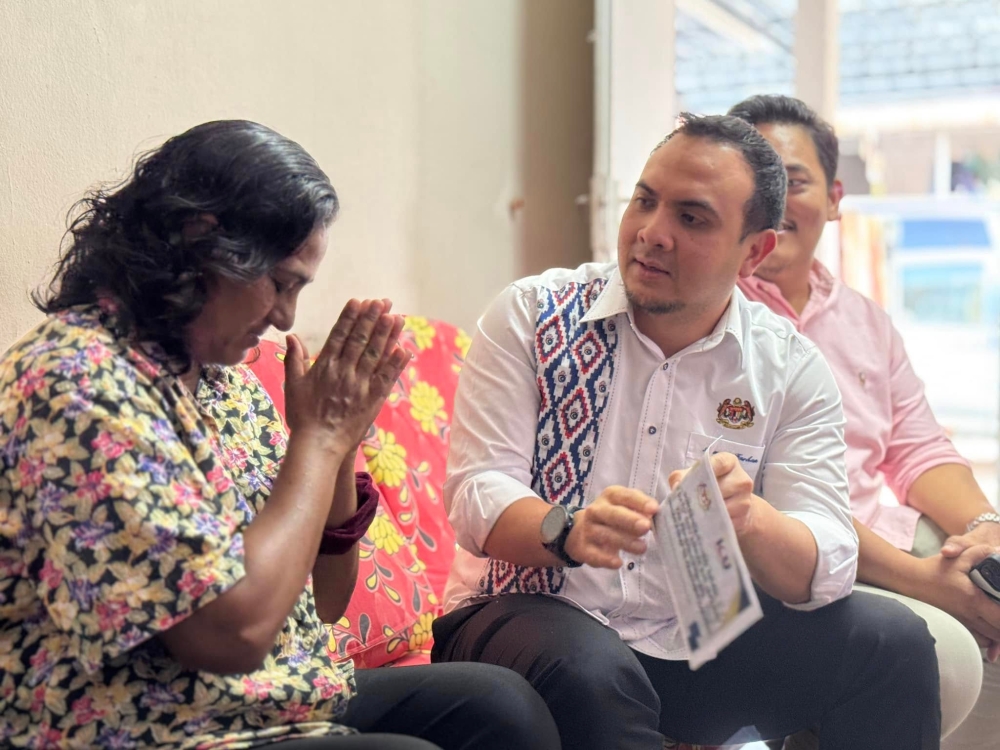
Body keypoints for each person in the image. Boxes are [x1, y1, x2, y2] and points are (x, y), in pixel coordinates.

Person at [0, 120, 560, 750]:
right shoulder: (77, 383)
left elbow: (326, 597)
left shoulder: (222, 380)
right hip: (141, 725)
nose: (287, 317)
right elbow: (228, 638)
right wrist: (318, 439)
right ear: (199, 240)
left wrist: (341, 445)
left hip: (260, 700)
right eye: (281, 281)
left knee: (499, 706)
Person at [431, 113, 942, 750]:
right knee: (588, 669)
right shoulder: (533, 316)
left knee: (888, 642)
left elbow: (828, 555)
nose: (651, 233)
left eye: (691, 218)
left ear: (754, 250)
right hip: (523, 618)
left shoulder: (786, 367)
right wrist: (567, 530)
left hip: (696, 638)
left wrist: (752, 518)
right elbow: (478, 488)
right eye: (645, 201)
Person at [729, 93, 996, 750]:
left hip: (894, 535)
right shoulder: (715, 315)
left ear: (836, 197)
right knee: (947, 656)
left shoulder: (864, 320)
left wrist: (985, 531)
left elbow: (918, 446)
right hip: (785, 556)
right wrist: (928, 582)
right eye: (756, 180)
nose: (775, 200)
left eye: (793, 181)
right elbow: (761, 493)